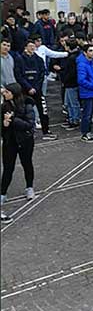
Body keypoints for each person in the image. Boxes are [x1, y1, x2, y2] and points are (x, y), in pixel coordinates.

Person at [1, 83, 36, 216]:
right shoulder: (3, 107)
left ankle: (29, 187)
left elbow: (29, 125)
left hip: (25, 141)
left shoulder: (27, 105)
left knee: (27, 163)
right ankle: (3, 193)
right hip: (10, 142)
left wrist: (13, 120)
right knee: (8, 168)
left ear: (14, 93)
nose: (4, 94)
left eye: (7, 92)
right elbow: (2, 128)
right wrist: (4, 124)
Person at [15, 39, 57, 140]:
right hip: (25, 90)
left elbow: (42, 73)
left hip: (37, 89)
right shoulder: (20, 59)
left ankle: (46, 131)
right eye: (30, 46)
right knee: (26, 111)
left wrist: (36, 87)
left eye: (33, 46)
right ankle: (28, 131)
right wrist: (29, 88)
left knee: (43, 111)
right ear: (25, 47)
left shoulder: (38, 59)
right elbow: (19, 76)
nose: (32, 48)